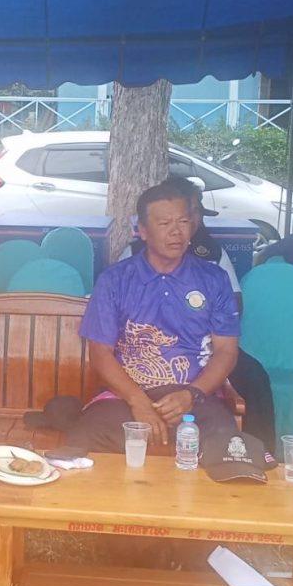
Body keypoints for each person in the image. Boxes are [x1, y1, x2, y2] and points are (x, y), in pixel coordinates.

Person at [70, 179, 241, 453]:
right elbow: (100, 353)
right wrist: (138, 402)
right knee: (85, 437)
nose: (176, 232)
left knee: (227, 446)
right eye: (164, 223)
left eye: (183, 222)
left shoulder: (214, 279)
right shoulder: (115, 280)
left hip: (195, 397)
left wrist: (191, 394)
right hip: (127, 396)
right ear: (142, 230)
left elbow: (226, 351)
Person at [120, 175, 276, 447]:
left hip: (207, 348)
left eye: (191, 214)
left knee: (254, 376)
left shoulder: (211, 253)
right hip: (147, 356)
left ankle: (256, 451)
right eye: (182, 214)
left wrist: (202, 321)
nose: (189, 221)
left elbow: (235, 302)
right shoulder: (133, 254)